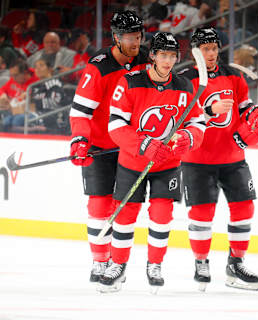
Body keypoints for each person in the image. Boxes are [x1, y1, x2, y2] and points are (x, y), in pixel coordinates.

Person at [98, 32, 206, 293]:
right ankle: (118, 264)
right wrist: (143, 145)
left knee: (161, 216)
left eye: (172, 55)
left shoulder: (184, 86)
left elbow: (198, 123)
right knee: (124, 217)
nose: (168, 60)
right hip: (133, 162)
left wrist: (188, 138)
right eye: (163, 55)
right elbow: (116, 125)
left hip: (167, 164)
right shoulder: (130, 82)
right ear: (153, 56)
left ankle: (154, 265)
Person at [179, 27, 258, 292]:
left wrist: (256, 114)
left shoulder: (233, 76)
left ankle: (236, 262)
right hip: (198, 157)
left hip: (232, 155)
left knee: (244, 208)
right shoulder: (185, 78)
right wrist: (208, 111)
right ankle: (201, 262)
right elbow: (181, 116)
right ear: (195, 51)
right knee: (202, 212)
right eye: (205, 49)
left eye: (214, 48)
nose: (210, 53)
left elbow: (244, 106)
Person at [68, 10, 150, 284]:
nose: (135, 41)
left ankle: (117, 261)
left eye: (138, 35)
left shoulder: (146, 61)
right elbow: (80, 112)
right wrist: (80, 140)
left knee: (125, 207)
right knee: (99, 205)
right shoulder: (99, 67)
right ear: (116, 37)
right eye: (129, 36)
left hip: (130, 147)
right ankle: (100, 259)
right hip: (100, 148)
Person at [30, 58, 70, 133]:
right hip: (39, 115)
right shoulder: (34, 86)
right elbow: (32, 105)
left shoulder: (55, 83)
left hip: (54, 116)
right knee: (12, 120)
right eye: (36, 67)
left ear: (50, 69)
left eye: (41, 65)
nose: (38, 69)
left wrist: (36, 104)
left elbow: (54, 104)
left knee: (19, 120)